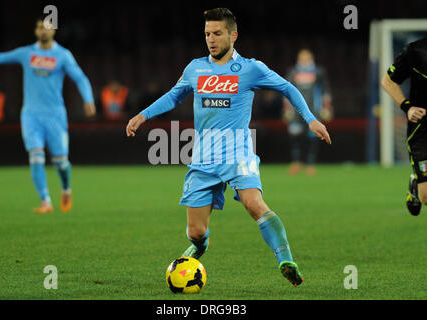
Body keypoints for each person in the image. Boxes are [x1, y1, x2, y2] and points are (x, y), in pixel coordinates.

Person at [126, 8, 331, 287]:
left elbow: (288, 88)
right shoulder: (195, 68)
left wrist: (311, 119)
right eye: (208, 34)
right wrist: (143, 115)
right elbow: (174, 96)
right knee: (195, 231)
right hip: (203, 156)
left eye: (217, 33)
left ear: (233, 35)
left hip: (239, 153)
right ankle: (200, 246)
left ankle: (286, 259)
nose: (211, 39)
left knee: (253, 203)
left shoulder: (250, 68)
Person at [0, 19, 96, 213]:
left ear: (54, 32)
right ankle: (45, 201)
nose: (43, 31)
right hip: (31, 115)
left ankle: (66, 189)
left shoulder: (63, 55)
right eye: (40, 27)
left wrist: (88, 99)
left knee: (61, 163)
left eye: (47, 28)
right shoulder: (27, 53)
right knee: (36, 157)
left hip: (55, 116)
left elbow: (80, 78)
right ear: (35, 31)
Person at [381, 37, 427, 216]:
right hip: (422, 129)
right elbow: (387, 81)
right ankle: (416, 183)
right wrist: (407, 107)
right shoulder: (415, 51)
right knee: (425, 197)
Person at [283, 49, 333, 176]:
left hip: (314, 110)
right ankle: (297, 162)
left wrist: (326, 107)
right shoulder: (293, 72)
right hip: (295, 112)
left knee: (313, 137)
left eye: (307, 57)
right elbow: (286, 91)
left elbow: (325, 90)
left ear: (312, 58)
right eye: (302, 57)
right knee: (295, 136)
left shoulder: (318, 72)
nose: (304, 60)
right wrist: (287, 109)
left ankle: (310, 164)